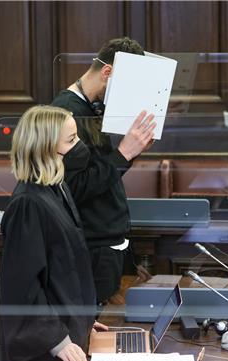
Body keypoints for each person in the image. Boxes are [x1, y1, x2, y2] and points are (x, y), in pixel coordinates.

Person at [0, 105, 107, 361]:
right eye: (71, 141)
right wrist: (57, 340)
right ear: (45, 148)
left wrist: (81, 322)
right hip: (43, 354)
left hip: (68, 332)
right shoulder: (28, 204)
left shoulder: (55, 188)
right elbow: (23, 288)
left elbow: (65, 268)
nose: (79, 147)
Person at [51, 37, 156, 304]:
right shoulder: (67, 113)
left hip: (106, 241)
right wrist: (123, 153)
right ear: (107, 72)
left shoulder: (92, 109)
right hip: (92, 246)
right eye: (128, 87)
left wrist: (129, 152)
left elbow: (102, 172)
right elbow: (73, 188)